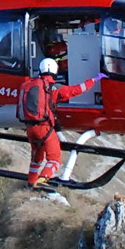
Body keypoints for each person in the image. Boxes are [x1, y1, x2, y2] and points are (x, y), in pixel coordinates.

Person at [18, 58, 105, 189]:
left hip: (30, 128)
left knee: (36, 158)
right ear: (54, 71)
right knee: (55, 159)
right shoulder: (54, 88)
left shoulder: (29, 84)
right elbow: (78, 89)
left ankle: (31, 183)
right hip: (45, 129)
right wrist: (95, 79)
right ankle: (42, 182)